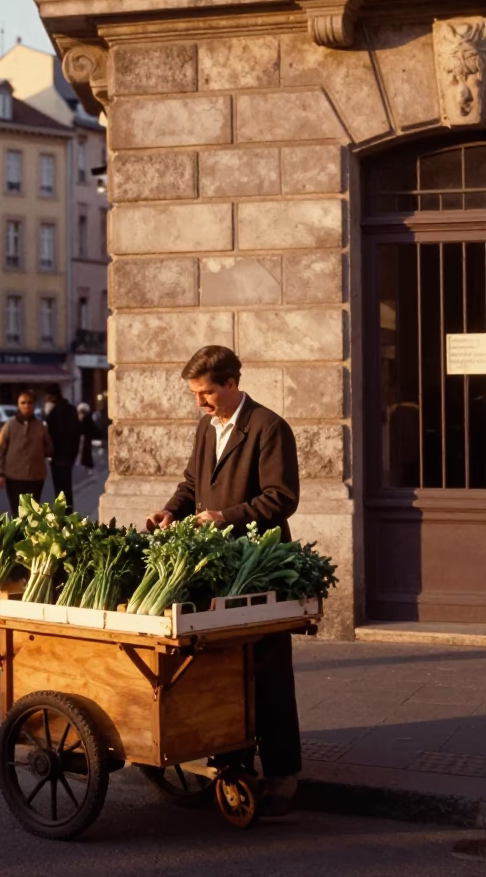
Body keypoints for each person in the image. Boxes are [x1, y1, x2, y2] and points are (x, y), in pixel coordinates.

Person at [146, 344, 301, 817]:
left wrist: (223, 517)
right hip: (217, 568)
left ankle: (283, 774)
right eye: (196, 394)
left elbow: (281, 499)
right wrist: (171, 510)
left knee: (268, 673)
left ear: (232, 383)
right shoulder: (205, 427)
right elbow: (192, 483)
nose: (200, 402)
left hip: (259, 566)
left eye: (208, 393)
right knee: (223, 671)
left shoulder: (269, 427)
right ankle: (233, 762)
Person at [0, 389, 53, 516]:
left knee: (32, 515)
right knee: (18, 514)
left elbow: (49, 447)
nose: (27, 406)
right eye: (23, 403)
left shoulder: (40, 426)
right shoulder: (9, 426)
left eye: (30, 403)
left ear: (34, 405)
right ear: (18, 405)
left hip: (35, 477)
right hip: (14, 477)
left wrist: (41, 451)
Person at [43, 384, 81, 510]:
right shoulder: (71, 410)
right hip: (69, 456)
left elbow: (48, 433)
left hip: (58, 456)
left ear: (52, 397)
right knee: (67, 490)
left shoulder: (54, 412)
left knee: (60, 491)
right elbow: (77, 432)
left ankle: (63, 518)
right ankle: (68, 516)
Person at [76, 402, 98, 470]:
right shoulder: (87, 418)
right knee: (84, 450)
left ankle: (86, 462)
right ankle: (86, 462)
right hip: (85, 437)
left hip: (86, 437)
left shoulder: (85, 419)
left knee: (85, 450)